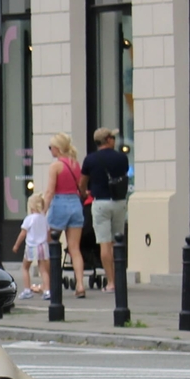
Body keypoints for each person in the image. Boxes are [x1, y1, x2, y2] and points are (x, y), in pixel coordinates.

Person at [81, 127, 131, 296]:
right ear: (108, 140)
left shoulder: (90, 160)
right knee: (118, 241)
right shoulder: (121, 158)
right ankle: (119, 279)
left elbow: (82, 183)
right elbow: (123, 174)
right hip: (119, 202)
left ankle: (111, 282)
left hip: (100, 202)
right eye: (113, 137)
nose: (114, 140)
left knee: (104, 243)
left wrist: (85, 193)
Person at [45, 134, 88, 298]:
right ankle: (80, 284)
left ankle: (50, 283)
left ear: (57, 148)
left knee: (51, 245)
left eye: (51, 147)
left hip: (60, 203)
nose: (50, 150)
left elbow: (50, 191)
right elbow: (81, 187)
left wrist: (43, 211)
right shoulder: (75, 164)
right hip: (75, 204)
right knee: (74, 248)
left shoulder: (55, 166)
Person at [14, 189, 52, 295]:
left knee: (25, 267)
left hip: (31, 246)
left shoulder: (29, 219)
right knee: (43, 270)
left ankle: (27, 289)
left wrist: (16, 245)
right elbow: (48, 234)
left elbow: (23, 233)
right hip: (43, 246)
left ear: (31, 207)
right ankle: (47, 290)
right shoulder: (44, 219)